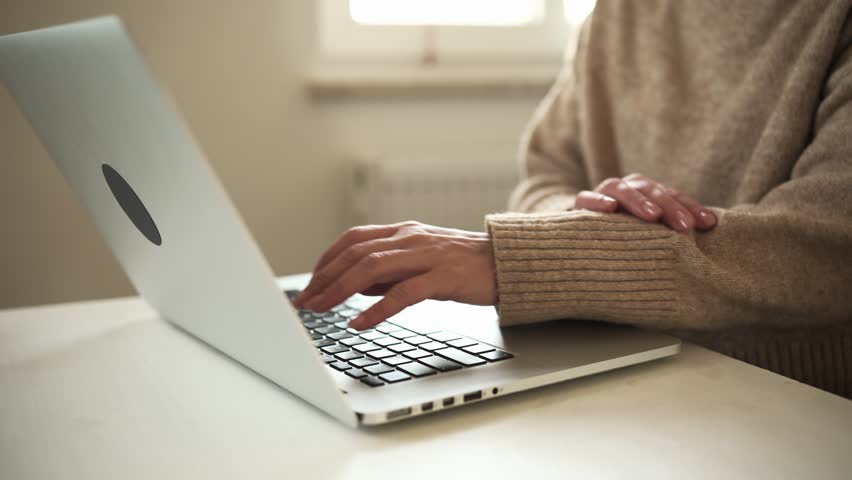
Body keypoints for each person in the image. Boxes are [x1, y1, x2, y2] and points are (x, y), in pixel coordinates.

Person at [295, 1, 852, 398]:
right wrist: (584, 223)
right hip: (618, 365)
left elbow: (823, 246)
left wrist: (519, 257)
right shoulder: (616, 15)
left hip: (789, 398)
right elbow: (543, 176)